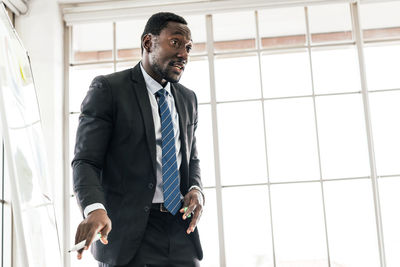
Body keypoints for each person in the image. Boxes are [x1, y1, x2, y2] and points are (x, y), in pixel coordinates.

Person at [72, 12, 204, 267]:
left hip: (181, 231)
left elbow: (191, 157)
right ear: (148, 43)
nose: (184, 55)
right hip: (129, 236)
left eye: (188, 48)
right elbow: (86, 160)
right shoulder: (109, 90)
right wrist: (94, 209)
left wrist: (196, 190)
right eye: (175, 43)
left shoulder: (188, 99)